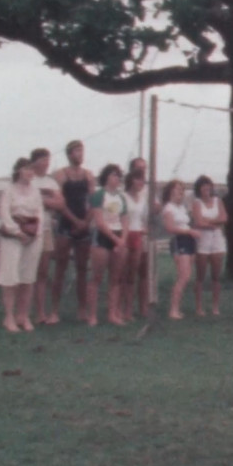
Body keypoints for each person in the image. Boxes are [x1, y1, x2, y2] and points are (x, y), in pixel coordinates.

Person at [0, 157, 45, 333]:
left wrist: (35, 234)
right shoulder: (9, 191)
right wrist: (17, 232)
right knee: (10, 278)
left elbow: (40, 213)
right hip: (13, 237)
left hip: (33, 237)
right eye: (26, 169)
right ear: (18, 171)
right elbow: (5, 214)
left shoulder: (36, 191)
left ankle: (23, 315)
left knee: (28, 277)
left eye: (31, 169)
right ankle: (9, 316)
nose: (29, 172)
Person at [49, 140, 95, 323]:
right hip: (66, 223)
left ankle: (82, 309)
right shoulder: (61, 174)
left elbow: (93, 201)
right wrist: (75, 221)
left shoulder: (88, 175)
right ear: (69, 154)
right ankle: (54, 310)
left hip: (84, 223)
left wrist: (86, 221)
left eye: (82, 151)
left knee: (82, 268)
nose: (80, 154)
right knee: (60, 267)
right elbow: (59, 202)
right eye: (77, 151)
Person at [86, 163, 130, 326]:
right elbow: (99, 221)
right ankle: (92, 315)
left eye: (118, 175)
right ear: (106, 177)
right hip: (103, 237)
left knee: (115, 279)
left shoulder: (121, 197)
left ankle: (112, 313)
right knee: (97, 277)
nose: (116, 178)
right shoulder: (99, 195)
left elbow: (125, 219)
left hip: (118, 237)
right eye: (113, 175)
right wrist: (114, 238)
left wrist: (123, 239)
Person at [30, 148, 67, 325]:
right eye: (43, 160)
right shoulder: (28, 179)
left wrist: (42, 200)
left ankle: (41, 312)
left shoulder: (51, 182)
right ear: (34, 161)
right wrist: (44, 199)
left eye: (48, 160)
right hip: (28, 230)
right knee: (27, 272)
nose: (46, 163)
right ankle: (22, 312)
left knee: (43, 272)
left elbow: (60, 203)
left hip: (45, 230)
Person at [161, 179, 198, 320]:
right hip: (179, 240)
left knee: (186, 276)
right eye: (177, 188)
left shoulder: (181, 207)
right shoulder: (168, 208)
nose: (180, 192)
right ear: (170, 190)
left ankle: (178, 308)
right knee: (184, 276)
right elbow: (170, 228)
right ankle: (173, 309)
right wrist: (189, 232)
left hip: (189, 240)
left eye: (182, 189)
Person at [191, 175, 227, 317]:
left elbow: (224, 218)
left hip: (217, 240)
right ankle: (199, 307)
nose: (206, 188)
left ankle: (215, 306)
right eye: (203, 185)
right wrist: (215, 223)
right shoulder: (196, 203)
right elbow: (198, 222)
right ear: (199, 189)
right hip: (202, 241)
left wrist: (209, 221)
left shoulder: (218, 201)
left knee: (216, 276)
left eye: (208, 185)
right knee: (200, 275)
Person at [120, 165, 151, 322]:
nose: (141, 182)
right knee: (124, 274)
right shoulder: (123, 197)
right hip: (125, 236)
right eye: (138, 179)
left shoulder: (144, 199)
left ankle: (134, 309)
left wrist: (144, 230)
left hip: (138, 235)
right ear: (130, 180)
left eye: (142, 180)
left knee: (135, 274)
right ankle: (123, 309)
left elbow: (144, 220)